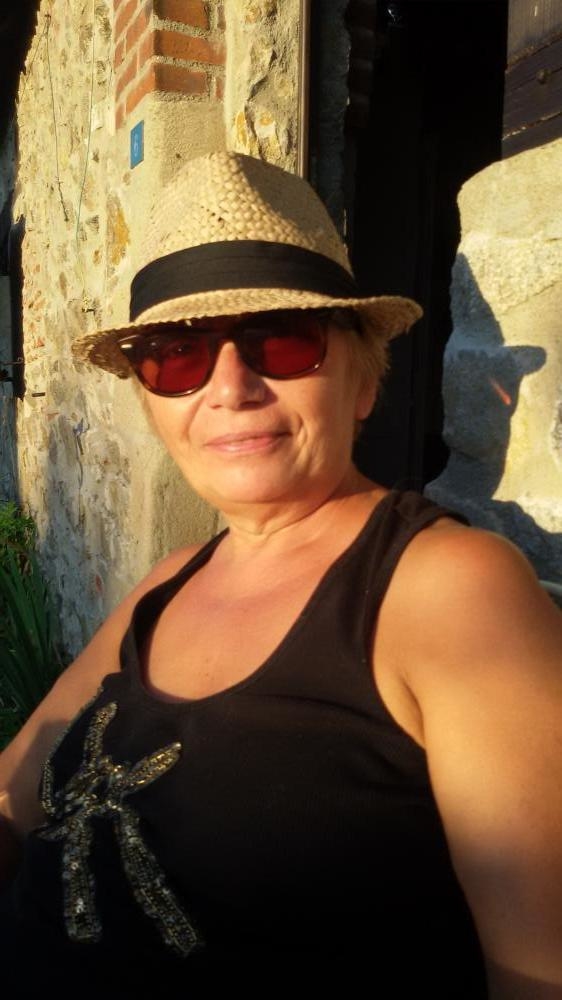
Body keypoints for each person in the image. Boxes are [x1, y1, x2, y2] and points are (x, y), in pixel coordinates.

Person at [1, 151, 561, 998]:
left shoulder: (447, 587)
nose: (230, 388)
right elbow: (13, 797)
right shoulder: (171, 580)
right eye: (177, 355)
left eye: (284, 340)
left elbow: (541, 967)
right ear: (153, 402)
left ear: (363, 382)